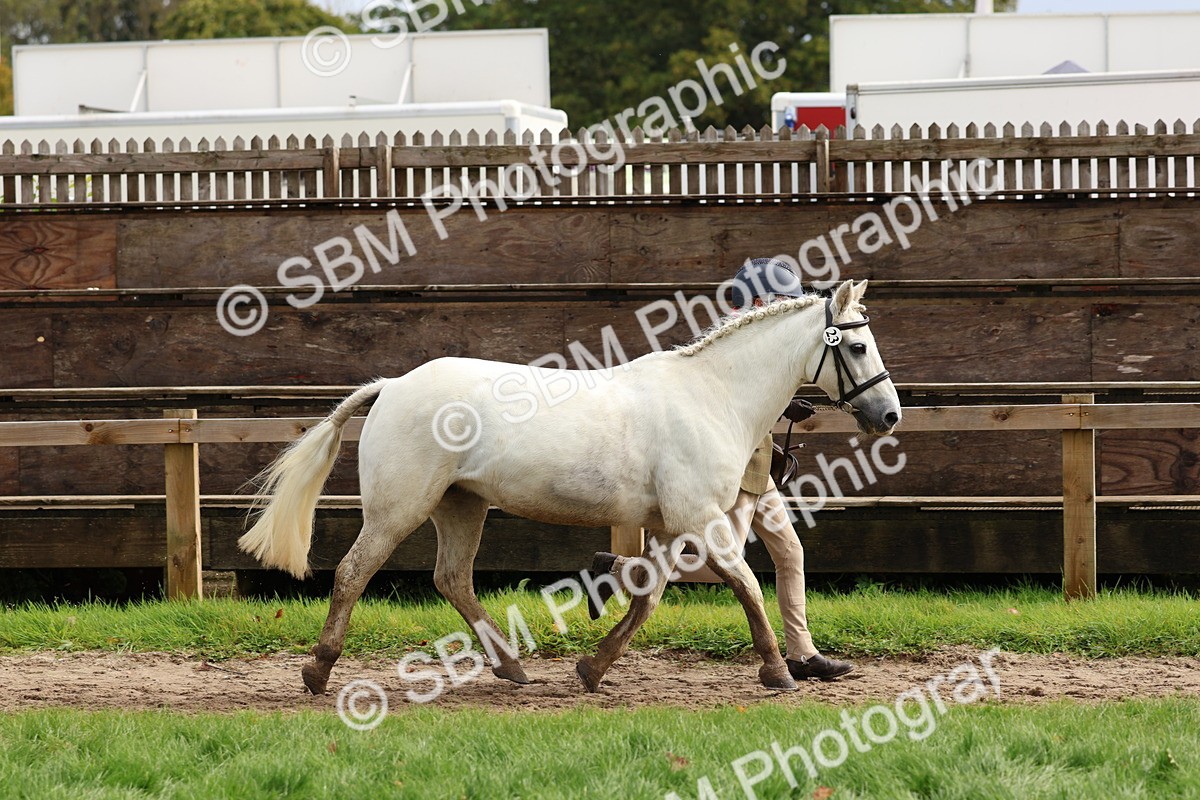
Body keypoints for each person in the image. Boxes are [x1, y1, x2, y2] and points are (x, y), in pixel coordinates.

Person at [587, 258, 855, 681]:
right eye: (782, 299)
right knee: (718, 560)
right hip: (727, 465)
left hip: (759, 462)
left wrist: (785, 404)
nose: (787, 307)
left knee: (789, 551)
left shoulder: (769, 339)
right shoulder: (731, 339)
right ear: (758, 299)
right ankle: (619, 569)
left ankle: (802, 653)